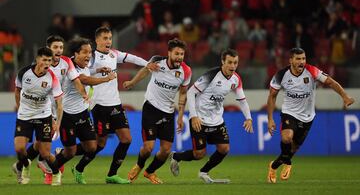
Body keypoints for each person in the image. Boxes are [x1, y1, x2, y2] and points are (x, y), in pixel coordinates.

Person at [71, 26, 159, 184]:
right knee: (99, 144)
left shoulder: (114, 54)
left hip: (115, 104)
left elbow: (132, 58)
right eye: (105, 38)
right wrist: (96, 70)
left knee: (126, 139)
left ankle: (111, 174)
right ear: (97, 40)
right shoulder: (91, 57)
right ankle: (77, 165)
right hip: (99, 105)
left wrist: (147, 64)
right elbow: (81, 73)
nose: (108, 41)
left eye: (110, 38)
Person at [266, 47, 355, 183]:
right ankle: (288, 163)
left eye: (303, 58)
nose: (302, 62)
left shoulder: (312, 71)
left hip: (308, 116)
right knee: (286, 138)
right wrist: (270, 119)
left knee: (294, 148)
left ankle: (273, 166)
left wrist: (345, 96)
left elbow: (330, 82)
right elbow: (272, 96)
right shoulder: (281, 75)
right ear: (291, 60)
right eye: (298, 59)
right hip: (289, 113)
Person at [168, 48, 253, 184]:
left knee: (224, 149)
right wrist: (194, 116)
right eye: (230, 62)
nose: (233, 66)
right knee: (199, 154)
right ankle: (176, 156)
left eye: (235, 63)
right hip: (199, 118)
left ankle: (204, 172)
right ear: (222, 62)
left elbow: (242, 100)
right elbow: (190, 93)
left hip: (217, 120)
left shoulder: (236, 79)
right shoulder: (211, 76)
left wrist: (248, 118)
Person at [22, 35, 87, 184]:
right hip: (42, 108)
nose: (59, 50)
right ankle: (41, 164)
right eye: (55, 47)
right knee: (42, 141)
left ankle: (29, 163)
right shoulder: (39, 66)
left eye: (61, 47)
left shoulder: (66, 62)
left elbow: (76, 80)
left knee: (43, 140)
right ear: (48, 49)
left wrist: (83, 93)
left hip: (58, 108)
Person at [125, 38, 192, 184]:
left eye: (182, 54)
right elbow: (144, 71)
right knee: (148, 148)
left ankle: (149, 172)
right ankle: (139, 165)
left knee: (166, 151)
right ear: (169, 53)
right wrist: (132, 83)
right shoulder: (157, 61)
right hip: (151, 107)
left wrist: (180, 116)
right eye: (177, 53)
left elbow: (183, 93)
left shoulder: (186, 71)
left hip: (168, 112)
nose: (179, 57)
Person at [51, 38, 116, 185]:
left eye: (90, 52)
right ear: (75, 54)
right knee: (71, 152)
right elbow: (85, 79)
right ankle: (52, 169)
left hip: (82, 113)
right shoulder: (70, 68)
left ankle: (66, 161)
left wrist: (98, 70)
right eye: (85, 52)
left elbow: (88, 71)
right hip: (67, 114)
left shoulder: (85, 65)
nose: (89, 55)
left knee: (92, 147)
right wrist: (107, 79)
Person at [12, 47, 63, 186]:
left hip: (43, 116)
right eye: (44, 60)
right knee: (19, 149)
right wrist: (20, 108)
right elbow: (17, 91)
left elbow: (59, 104)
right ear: (37, 59)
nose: (47, 63)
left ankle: (56, 173)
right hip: (25, 115)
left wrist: (56, 122)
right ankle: (25, 166)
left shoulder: (53, 78)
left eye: (49, 60)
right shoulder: (24, 73)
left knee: (45, 153)